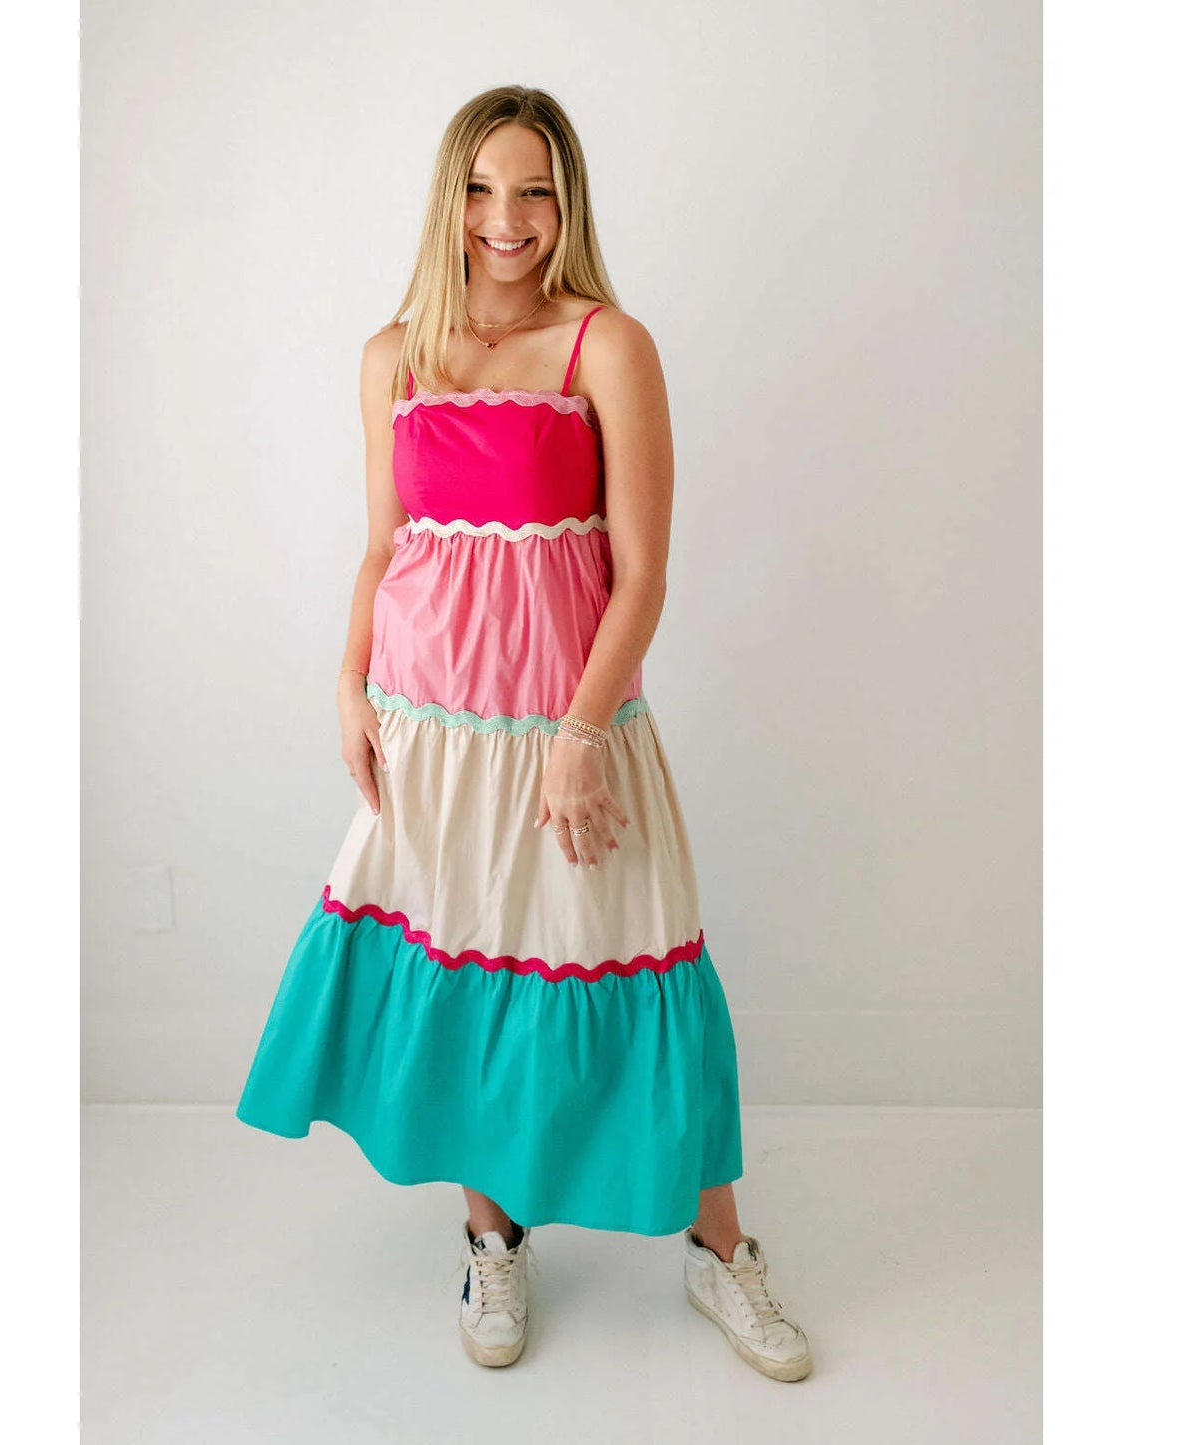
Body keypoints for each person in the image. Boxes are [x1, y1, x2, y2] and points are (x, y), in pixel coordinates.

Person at [236, 84, 813, 1383]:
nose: (508, 217)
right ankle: (491, 1235)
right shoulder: (392, 355)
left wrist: (580, 732)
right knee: (467, 964)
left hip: (571, 730)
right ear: (451, 199)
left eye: (535, 189)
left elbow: (642, 571)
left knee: (638, 956)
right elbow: (385, 546)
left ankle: (720, 1250)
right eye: (484, 188)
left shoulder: (607, 345)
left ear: (568, 202)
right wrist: (348, 682)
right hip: (429, 733)